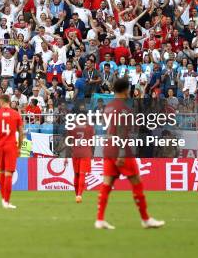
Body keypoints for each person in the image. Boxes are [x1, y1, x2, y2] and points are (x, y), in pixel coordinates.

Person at [96, 78, 165, 230]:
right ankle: (146, 219)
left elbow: (109, 129)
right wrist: (121, 152)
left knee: (107, 183)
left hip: (108, 148)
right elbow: (121, 130)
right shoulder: (124, 109)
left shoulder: (108, 107)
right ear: (126, 90)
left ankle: (100, 219)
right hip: (121, 150)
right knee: (136, 183)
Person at [0, 94, 24, 209]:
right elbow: (21, 133)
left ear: (3, 101)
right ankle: (6, 201)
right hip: (10, 146)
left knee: (2, 172)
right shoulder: (16, 114)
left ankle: (4, 199)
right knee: (8, 173)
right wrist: (19, 148)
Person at [65, 121, 94, 203]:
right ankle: (79, 195)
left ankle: (77, 195)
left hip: (76, 153)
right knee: (82, 174)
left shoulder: (72, 127)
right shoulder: (89, 127)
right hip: (86, 152)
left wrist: (66, 156)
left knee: (76, 174)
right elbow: (92, 141)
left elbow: (68, 142)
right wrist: (92, 154)